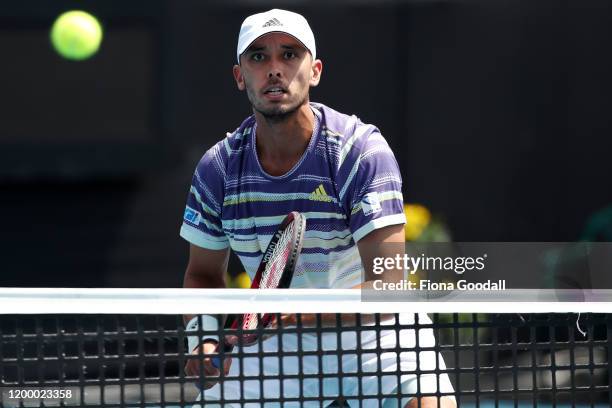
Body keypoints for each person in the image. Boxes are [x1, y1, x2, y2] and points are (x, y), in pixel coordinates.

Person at [180, 8, 456, 408]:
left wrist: (294, 312)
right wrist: (203, 339)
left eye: (289, 54)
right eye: (258, 57)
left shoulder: (358, 152)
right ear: (240, 76)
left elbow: (389, 286)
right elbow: (202, 274)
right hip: (278, 346)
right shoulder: (218, 169)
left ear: (315, 71)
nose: (275, 69)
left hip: (375, 332)